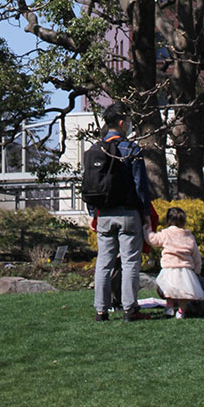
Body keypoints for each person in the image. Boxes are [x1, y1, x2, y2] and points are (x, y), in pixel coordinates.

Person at [88, 103, 154, 322]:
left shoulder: (96, 149)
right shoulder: (131, 149)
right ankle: (129, 309)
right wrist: (145, 213)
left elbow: (90, 184)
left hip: (104, 213)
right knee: (130, 262)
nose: (128, 124)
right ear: (120, 122)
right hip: (128, 214)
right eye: (127, 120)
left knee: (103, 263)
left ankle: (101, 310)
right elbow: (140, 185)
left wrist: (93, 212)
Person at [146, 206, 204, 318]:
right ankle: (181, 311)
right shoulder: (189, 236)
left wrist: (147, 230)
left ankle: (169, 307)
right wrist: (197, 270)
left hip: (169, 268)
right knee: (184, 293)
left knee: (169, 290)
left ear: (168, 220)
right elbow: (196, 255)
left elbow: (153, 240)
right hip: (185, 270)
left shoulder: (166, 233)